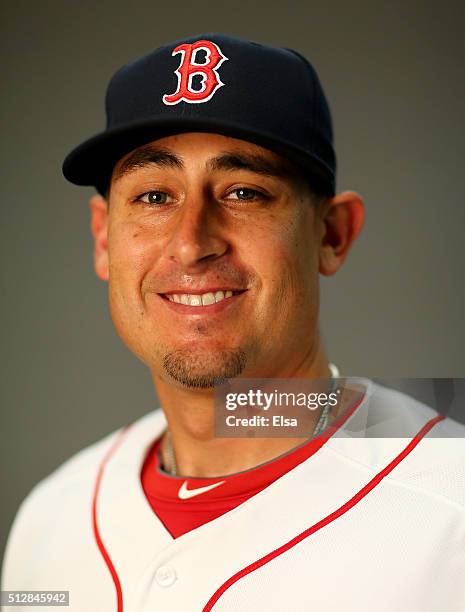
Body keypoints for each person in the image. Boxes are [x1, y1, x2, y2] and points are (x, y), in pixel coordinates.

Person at [2, 33, 464, 612]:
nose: (191, 243)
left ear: (332, 234)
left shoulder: (451, 519)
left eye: (244, 191)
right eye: (153, 197)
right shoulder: (50, 519)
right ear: (103, 238)